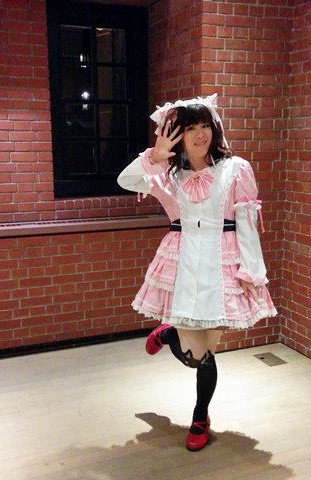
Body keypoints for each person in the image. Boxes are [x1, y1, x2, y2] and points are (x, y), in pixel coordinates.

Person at [117, 93, 277, 451]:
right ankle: (169, 334)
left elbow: (247, 223)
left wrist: (251, 271)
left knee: (208, 355)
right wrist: (154, 156)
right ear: (177, 134)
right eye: (191, 128)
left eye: (206, 125)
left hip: (222, 266)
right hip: (183, 263)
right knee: (194, 356)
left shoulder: (236, 169)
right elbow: (126, 180)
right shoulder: (167, 174)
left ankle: (200, 417)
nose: (201, 134)